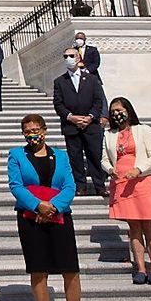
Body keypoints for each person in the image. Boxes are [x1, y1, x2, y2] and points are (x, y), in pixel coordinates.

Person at [7, 114, 80, 301]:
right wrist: (38, 205)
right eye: (27, 132)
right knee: (38, 269)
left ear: (44, 130)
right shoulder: (16, 155)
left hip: (59, 215)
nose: (32, 135)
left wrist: (53, 207)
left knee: (70, 269)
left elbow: (69, 186)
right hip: (30, 218)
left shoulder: (61, 155)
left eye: (36, 130)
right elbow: (16, 185)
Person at [102, 97, 151, 285]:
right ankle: (140, 268)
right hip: (121, 182)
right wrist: (110, 169)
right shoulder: (109, 134)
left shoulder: (143, 130)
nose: (116, 114)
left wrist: (138, 170)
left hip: (142, 181)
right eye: (113, 112)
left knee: (148, 226)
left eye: (119, 110)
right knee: (133, 227)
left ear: (128, 110)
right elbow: (104, 158)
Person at [52, 47, 107, 197]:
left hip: (91, 125)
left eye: (71, 55)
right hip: (71, 126)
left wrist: (90, 117)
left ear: (78, 58)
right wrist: (70, 117)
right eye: (65, 56)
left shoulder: (91, 79)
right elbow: (58, 103)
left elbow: (98, 101)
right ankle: (80, 186)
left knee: (94, 155)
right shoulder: (59, 81)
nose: (68, 58)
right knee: (75, 157)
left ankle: (100, 185)